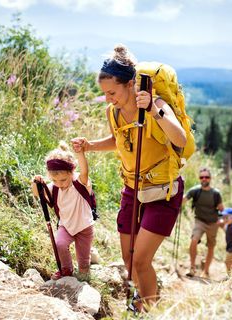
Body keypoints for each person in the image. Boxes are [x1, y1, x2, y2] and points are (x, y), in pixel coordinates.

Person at [71, 44, 186, 312]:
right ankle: (142, 301)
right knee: (128, 258)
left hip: (163, 191)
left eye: (112, 92)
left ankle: (149, 309)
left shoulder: (156, 104)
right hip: (132, 189)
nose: (109, 98)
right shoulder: (113, 112)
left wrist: (155, 112)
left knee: (141, 260)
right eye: (105, 94)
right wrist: (89, 145)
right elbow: (118, 139)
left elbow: (179, 138)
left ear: (131, 84)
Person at [31, 142, 94, 281]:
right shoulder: (54, 187)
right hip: (66, 225)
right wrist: (35, 183)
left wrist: (80, 153)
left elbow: (85, 171)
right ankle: (66, 269)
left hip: (84, 227)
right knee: (60, 244)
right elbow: (37, 193)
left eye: (63, 180)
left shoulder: (79, 182)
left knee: (83, 261)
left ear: (72, 172)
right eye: (54, 180)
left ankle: (84, 273)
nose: (59, 183)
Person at [183, 168, 224, 278]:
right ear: (199, 178)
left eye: (206, 177)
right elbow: (184, 200)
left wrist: (223, 218)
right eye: (202, 177)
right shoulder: (195, 191)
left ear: (210, 178)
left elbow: (222, 209)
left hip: (213, 223)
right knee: (194, 240)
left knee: (211, 247)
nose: (204, 179)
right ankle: (192, 268)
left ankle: (205, 271)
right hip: (199, 221)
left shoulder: (216, 193)